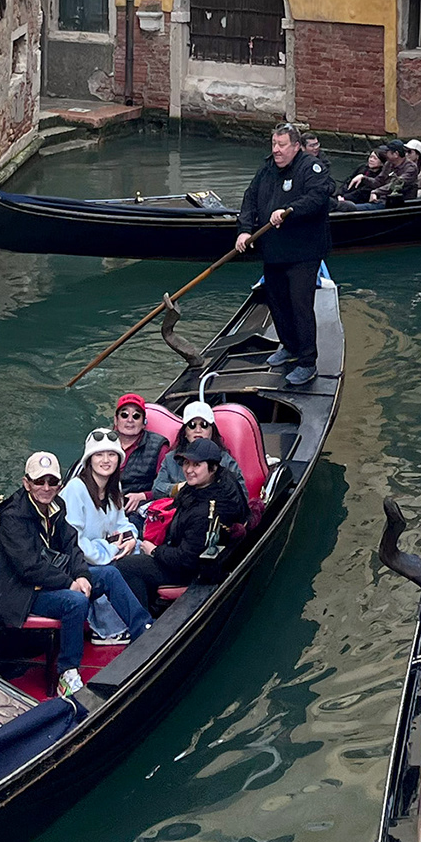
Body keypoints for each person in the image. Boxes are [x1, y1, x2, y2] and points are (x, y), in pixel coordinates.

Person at [0, 450, 151, 697]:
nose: (46, 487)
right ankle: (68, 672)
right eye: (39, 481)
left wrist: (82, 575)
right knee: (75, 601)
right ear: (27, 483)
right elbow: (29, 567)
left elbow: (71, 546)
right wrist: (70, 582)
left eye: (52, 481)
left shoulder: (58, 506)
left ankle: (144, 630)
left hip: (53, 581)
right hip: (23, 594)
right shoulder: (13, 517)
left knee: (108, 574)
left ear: (59, 484)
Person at [235, 121, 332, 380]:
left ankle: (307, 362)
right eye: (274, 144)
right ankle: (289, 347)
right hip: (273, 251)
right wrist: (244, 229)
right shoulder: (267, 168)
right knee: (277, 303)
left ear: (296, 146)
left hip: (303, 252)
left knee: (300, 305)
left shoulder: (311, 168)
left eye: (281, 145)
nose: (276, 149)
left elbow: (318, 197)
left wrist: (290, 211)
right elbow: (250, 198)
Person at [116, 437, 237, 607]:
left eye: (196, 465)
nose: (188, 470)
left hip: (192, 571)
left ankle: (141, 618)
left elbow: (186, 559)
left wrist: (155, 551)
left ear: (213, 468)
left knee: (126, 566)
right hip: (185, 550)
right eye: (186, 463)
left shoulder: (205, 511)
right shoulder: (208, 485)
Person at [65, 429, 143, 640]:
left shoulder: (113, 487)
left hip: (106, 550)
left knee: (138, 553)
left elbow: (122, 523)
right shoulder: (76, 489)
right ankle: (108, 630)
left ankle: (139, 616)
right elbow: (74, 540)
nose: (106, 460)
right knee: (112, 570)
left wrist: (130, 539)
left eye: (111, 455)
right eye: (99, 455)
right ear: (89, 459)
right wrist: (109, 550)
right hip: (78, 561)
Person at [152, 408, 250, 521]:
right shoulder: (171, 459)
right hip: (176, 517)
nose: (198, 430)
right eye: (192, 425)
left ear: (212, 431)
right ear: (185, 432)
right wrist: (178, 488)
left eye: (204, 425)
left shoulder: (225, 460)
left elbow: (241, 496)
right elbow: (156, 489)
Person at [113, 391, 168, 511]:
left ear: (144, 423)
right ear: (116, 420)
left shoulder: (159, 446)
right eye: (124, 415)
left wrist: (143, 496)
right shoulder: (105, 440)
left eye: (136, 416)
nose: (130, 420)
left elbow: (167, 486)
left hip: (135, 508)